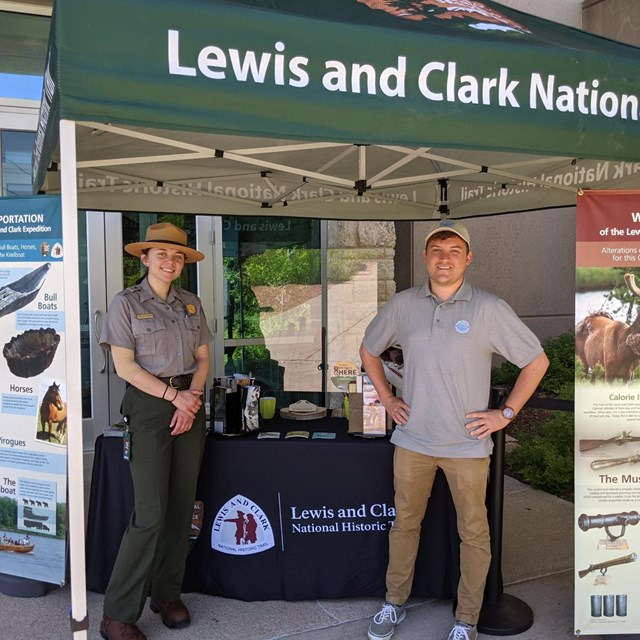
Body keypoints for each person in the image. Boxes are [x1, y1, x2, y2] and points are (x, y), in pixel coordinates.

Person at [360, 220, 549, 640]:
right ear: (425, 257)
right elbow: (368, 351)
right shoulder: (404, 304)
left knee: (474, 533)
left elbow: (536, 362)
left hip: (467, 445)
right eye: (436, 251)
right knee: (405, 525)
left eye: (453, 251)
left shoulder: (489, 307)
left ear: (468, 258)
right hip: (413, 441)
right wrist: (389, 400)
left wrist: (506, 414)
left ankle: (466, 619)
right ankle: (393, 603)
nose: (444, 258)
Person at [99, 222, 213, 640]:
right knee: (150, 514)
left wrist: (192, 398)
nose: (170, 261)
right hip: (149, 407)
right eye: (161, 254)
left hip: (190, 403)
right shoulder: (126, 304)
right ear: (144, 258)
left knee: (181, 506)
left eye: (178, 255)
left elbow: (202, 358)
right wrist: (173, 397)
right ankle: (117, 614)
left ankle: (166, 594)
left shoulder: (190, 304)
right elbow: (125, 367)